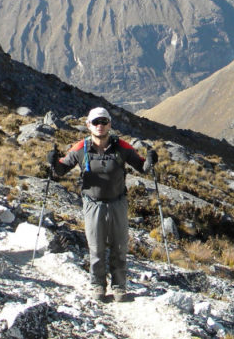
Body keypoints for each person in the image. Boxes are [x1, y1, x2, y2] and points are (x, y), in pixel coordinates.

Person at [47, 107, 158, 302]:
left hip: (118, 203)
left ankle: (119, 286)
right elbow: (61, 170)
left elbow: (142, 167)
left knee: (119, 245)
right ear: (88, 125)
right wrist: (53, 162)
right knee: (96, 247)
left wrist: (150, 160)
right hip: (93, 204)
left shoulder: (122, 147)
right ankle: (98, 284)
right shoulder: (80, 148)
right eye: (96, 122)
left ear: (109, 124)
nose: (100, 126)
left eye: (104, 122)